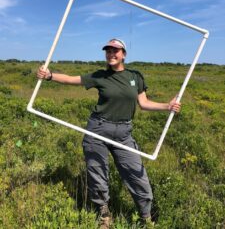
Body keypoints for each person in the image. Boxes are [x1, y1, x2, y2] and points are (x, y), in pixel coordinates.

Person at [37, 38, 181, 229]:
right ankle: (103, 216)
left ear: (124, 54)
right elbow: (72, 80)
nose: (111, 54)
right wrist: (49, 76)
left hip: (124, 133)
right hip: (98, 128)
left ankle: (146, 217)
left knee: (136, 174)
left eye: (116, 51)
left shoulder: (135, 76)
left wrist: (167, 106)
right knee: (97, 173)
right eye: (108, 51)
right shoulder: (100, 75)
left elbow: (144, 103)